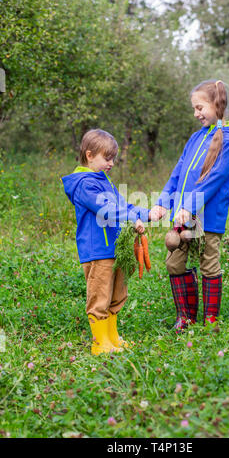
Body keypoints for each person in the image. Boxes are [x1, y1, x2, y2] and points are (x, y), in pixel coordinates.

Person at [149, 79, 229, 331]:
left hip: (206, 217)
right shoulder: (195, 138)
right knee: (174, 263)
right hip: (182, 217)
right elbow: (177, 173)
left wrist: (190, 206)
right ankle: (186, 317)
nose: (196, 113)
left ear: (217, 104)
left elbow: (215, 179)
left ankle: (210, 320)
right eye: (194, 108)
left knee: (208, 263)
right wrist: (163, 204)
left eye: (200, 107)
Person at [62, 129, 149, 354]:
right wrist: (131, 217)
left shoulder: (105, 182)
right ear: (90, 155)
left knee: (117, 294)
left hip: (115, 249)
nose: (111, 163)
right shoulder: (84, 184)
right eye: (106, 158)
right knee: (100, 294)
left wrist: (145, 213)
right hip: (98, 250)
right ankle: (100, 343)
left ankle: (112, 337)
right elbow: (107, 209)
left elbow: (123, 207)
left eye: (113, 158)